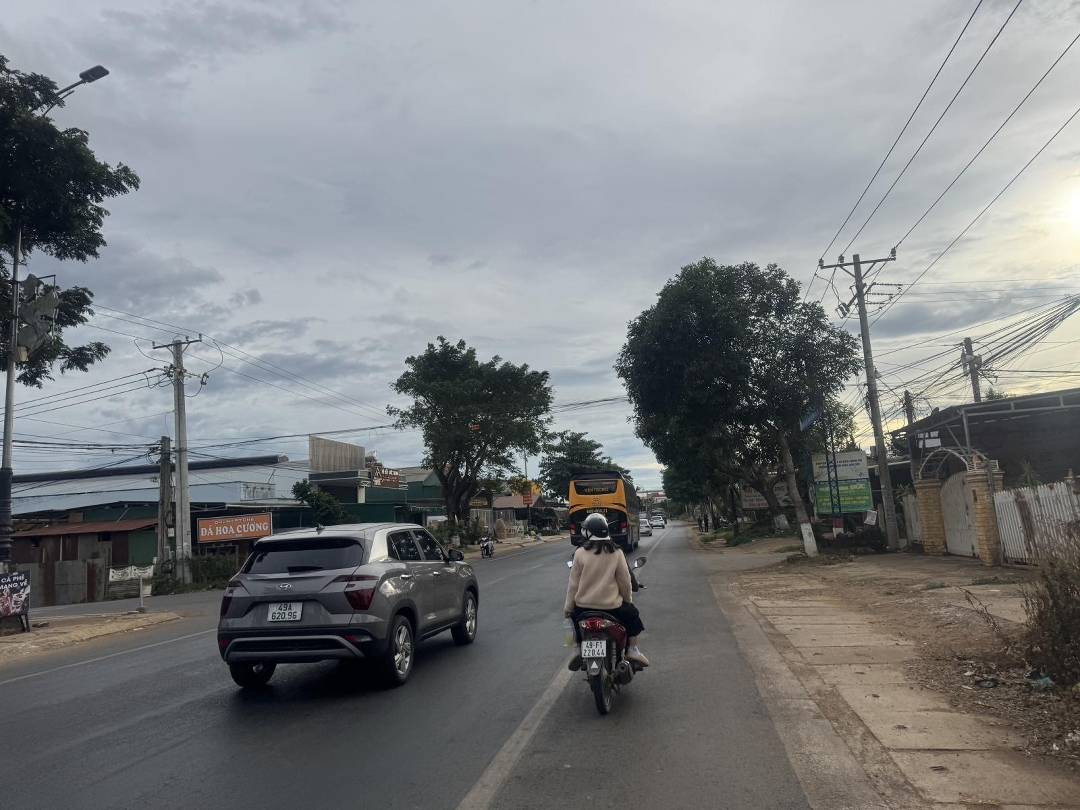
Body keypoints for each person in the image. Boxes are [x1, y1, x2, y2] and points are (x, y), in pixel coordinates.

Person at [564, 514, 648, 670]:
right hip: (612, 607)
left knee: (573, 617)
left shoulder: (580, 553)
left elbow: (573, 585)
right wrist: (628, 600)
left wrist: (568, 608)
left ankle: (577, 649)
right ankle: (632, 649)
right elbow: (625, 582)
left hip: (584, 607)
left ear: (588, 532)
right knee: (632, 614)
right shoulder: (616, 552)